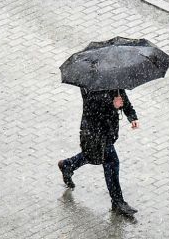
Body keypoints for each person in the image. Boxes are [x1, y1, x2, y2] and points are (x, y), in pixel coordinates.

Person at [58, 88, 140, 216]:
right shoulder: (90, 81)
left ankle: (68, 165)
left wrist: (131, 115)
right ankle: (117, 201)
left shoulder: (112, 76)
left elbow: (121, 95)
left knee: (94, 154)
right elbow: (91, 106)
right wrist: (112, 105)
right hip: (94, 131)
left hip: (107, 130)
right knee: (112, 162)